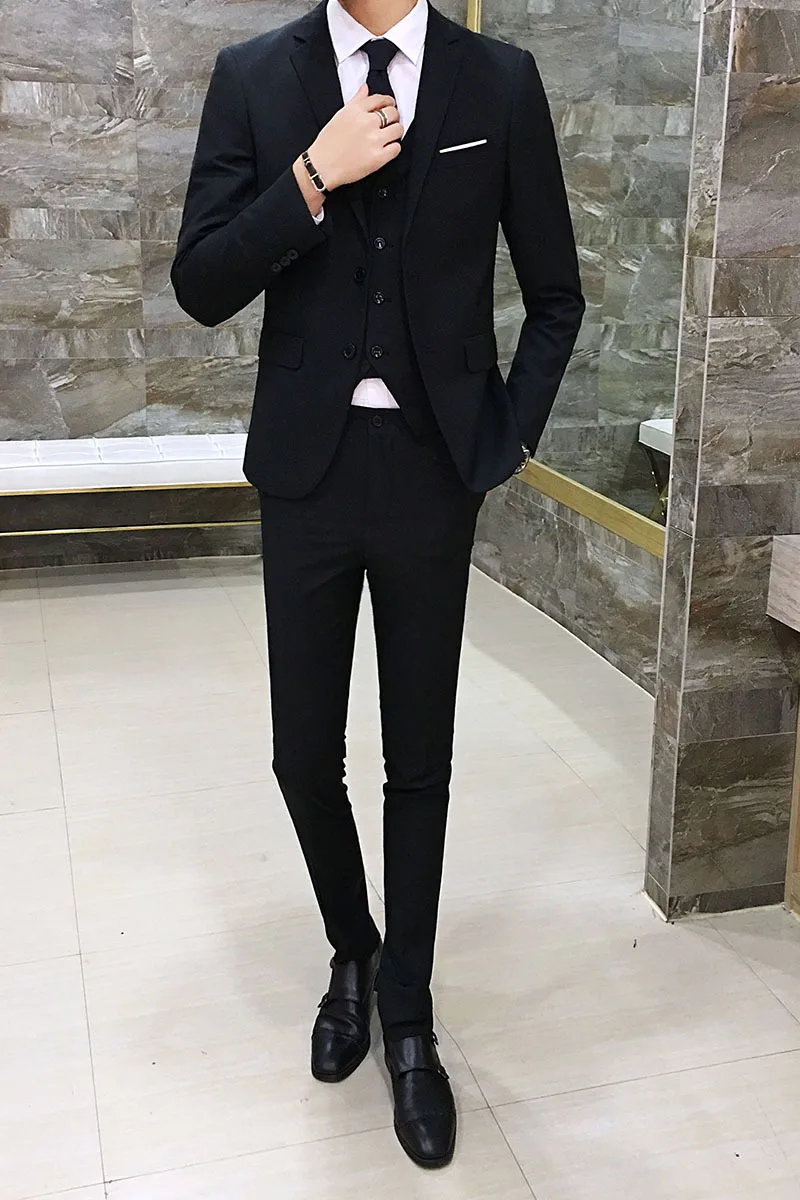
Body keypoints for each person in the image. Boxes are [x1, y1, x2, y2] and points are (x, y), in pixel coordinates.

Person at [171, 0, 584, 1169]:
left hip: (431, 472)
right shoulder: (255, 75)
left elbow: (555, 293)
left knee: (419, 761)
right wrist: (312, 174)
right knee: (301, 754)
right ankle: (351, 947)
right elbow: (200, 281)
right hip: (305, 469)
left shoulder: (498, 79)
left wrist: (504, 438)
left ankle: (406, 1013)